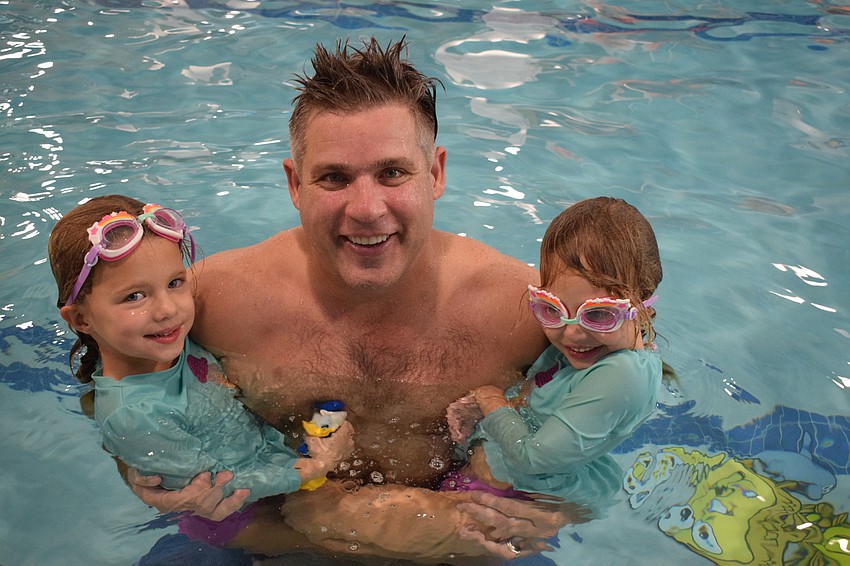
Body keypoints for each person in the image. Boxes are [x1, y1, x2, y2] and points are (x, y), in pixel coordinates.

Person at [128, 38, 578, 563]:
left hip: (460, 545)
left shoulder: (522, 310)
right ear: (296, 184)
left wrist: (567, 506)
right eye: (334, 177)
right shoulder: (213, 301)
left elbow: (619, 400)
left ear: (435, 173)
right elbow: (119, 385)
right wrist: (143, 469)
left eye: (392, 173)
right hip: (273, 538)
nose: (366, 209)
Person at [48, 195, 354, 509]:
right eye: (134, 296)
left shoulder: (164, 345)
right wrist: (314, 468)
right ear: (81, 319)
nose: (167, 309)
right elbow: (210, 487)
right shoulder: (134, 417)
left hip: (271, 459)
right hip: (238, 512)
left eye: (175, 282)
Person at [445, 197, 664, 511]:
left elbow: (533, 457)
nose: (571, 333)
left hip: (517, 493)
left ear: (641, 304)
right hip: (501, 470)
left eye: (599, 314)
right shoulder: (603, 348)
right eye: (553, 309)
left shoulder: (623, 375)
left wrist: (489, 399)